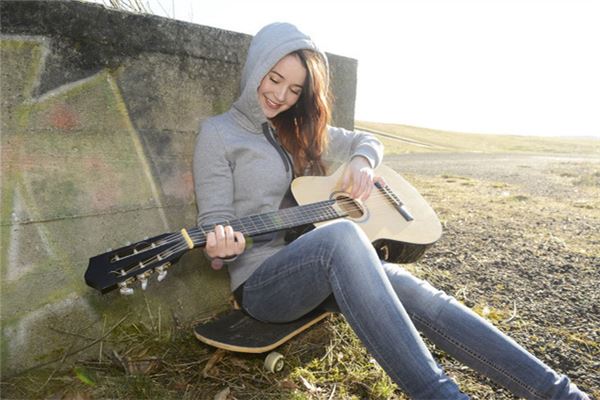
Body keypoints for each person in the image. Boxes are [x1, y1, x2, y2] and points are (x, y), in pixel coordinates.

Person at [193, 22, 590, 399]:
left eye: (295, 89)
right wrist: (218, 246)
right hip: (263, 286)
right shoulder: (218, 133)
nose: (280, 96)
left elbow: (366, 140)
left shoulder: (293, 128)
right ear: (255, 68)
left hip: (321, 267)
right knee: (342, 237)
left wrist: (362, 163)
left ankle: (557, 391)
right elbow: (213, 223)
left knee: (407, 286)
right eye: (274, 78)